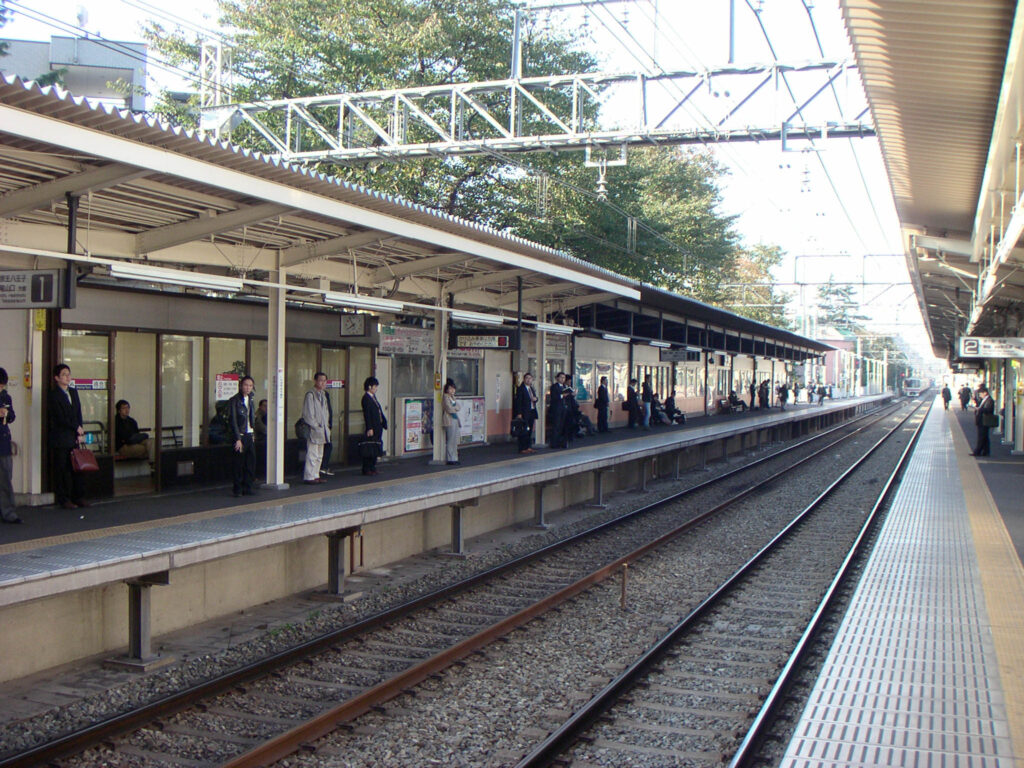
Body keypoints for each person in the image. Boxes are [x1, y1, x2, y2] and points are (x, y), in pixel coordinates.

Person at [47, 363, 86, 510]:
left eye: (68, 374)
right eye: (64, 374)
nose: (67, 377)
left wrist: (80, 431)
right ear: (56, 378)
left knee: (76, 468)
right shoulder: (53, 395)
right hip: (61, 437)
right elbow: (60, 417)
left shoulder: (73, 392)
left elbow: (78, 413)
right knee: (62, 469)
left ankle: (79, 496)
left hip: (74, 436)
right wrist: (75, 427)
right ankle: (63, 498)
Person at [227, 376, 257, 497]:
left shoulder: (251, 399)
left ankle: (248, 487)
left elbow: (251, 417)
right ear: (240, 386)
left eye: (250, 385)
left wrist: (253, 433)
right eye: (246, 385)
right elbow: (233, 420)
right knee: (238, 463)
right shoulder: (234, 400)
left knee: (250, 462)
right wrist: (237, 439)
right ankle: (237, 488)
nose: (248, 387)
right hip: (240, 434)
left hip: (249, 434)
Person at [0, 368, 21, 523]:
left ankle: (8, 512)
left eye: (2, 385)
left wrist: (7, 414)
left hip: (4, 443)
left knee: (6, 478)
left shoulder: (6, 397)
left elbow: (12, 416)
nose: (1, 388)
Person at [302, 372, 330, 484]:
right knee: (312, 453)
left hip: (323, 429)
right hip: (314, 430)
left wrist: (325, 426)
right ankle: (309, 476)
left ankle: (316, 474)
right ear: (315, 381)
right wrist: (316, 426)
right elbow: (308, 414)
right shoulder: (310, 395)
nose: (323, 383)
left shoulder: (323, 395)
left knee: (319, 454)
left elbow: (326, 413)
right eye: (320, 380)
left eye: (324, 380)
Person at [361, 376, 387, 476]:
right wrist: (369, 427)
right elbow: (367, 414)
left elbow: (379, 411)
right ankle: (367, 468)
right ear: (370, 386)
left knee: (375, 446)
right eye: (375, 386)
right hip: (372, 426)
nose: (376, 388)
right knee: (370, 447)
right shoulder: (366, 398)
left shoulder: (373, 398)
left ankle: (373, 466)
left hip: (378, 426)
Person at [513, 372, 538, 454]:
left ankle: (528, 446)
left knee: (530, 430)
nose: (528, 380)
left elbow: (535, 398)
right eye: (527, 378)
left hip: (532, 411)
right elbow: (518, 402)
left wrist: (536, 399)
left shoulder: (531, 388)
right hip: (524, 412)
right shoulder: (521, 389)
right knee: (524, 430)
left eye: (530, 378)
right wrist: (519, 413)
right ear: (524, 379)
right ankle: (522, 447)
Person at [549, 372, 571, 448]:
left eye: (564, 378)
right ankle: (554, 443)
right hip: (556, 409)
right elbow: (554, 397)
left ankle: (561, 442)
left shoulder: (565, 386)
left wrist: (572, 394)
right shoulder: (554, 387)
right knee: (556, 426)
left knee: (562, 426)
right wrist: (562, 395)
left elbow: (568, 397)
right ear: (557, 378)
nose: (562, 379)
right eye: (561, 377)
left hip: (564, 408)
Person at [442, 380, 461, 465]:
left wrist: (454, 409)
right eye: (450, 388)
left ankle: (455, 458)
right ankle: (450, 458)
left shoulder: (453, 398)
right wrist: (455, 409)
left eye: (453, 388)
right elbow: (448, 408)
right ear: (446, 390)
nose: (452, 390)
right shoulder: (445, 397)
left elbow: (458, 407)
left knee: (455, 439)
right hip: (449, 420)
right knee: (450, 439)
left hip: (455, 419)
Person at [973, 385, 995, 457]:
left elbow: (988, 410)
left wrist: (979, 409)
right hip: (982, 421)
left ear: (985, 393)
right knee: (985, 437)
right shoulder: (984, 400)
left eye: (980, 393)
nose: (979, 395)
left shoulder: (989, 400)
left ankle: (978, 451)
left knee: (981, 436)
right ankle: (986, 451)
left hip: (984, 421)